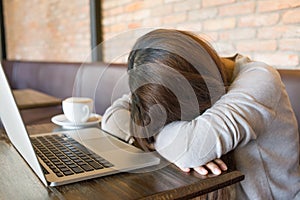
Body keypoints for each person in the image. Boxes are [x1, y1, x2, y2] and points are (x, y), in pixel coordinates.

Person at [101, 29, 300, 199]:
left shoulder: (261, 79)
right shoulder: (165, 80)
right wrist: (166, 140)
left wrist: (152, 135)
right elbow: (111, 117)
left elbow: (191, 149)